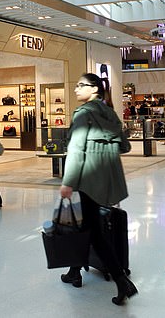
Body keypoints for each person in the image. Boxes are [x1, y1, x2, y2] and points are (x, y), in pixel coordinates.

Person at [59, 73, 137, 306]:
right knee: (87, 227)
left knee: (93, 231)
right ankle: (75, 271)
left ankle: (121, 280)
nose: (76, 89)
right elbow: (125, 146)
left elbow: (76, 150)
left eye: (81, 85)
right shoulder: (109, 113)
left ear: (94, 89)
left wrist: (68, 181)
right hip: (109, 180)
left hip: (89, 179)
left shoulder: (84, 114)